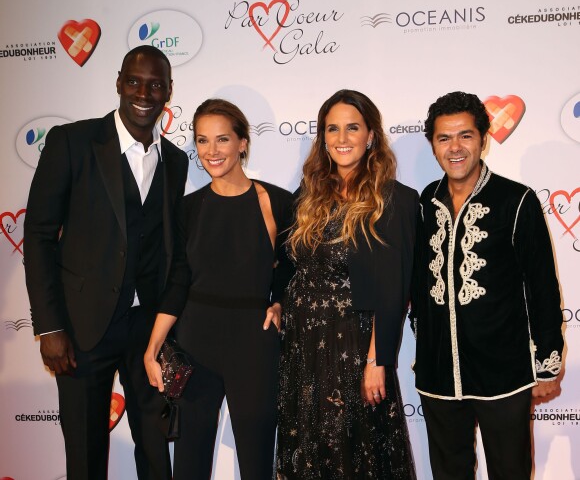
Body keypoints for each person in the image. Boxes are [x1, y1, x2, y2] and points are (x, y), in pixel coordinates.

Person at [23, 45, 189, 479]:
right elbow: (39, 235)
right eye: (134, 81)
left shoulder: (175, 161)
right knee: (85, 451)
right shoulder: (72, 142)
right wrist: (50, 326)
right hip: (80, 328)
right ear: (118, 82)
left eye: (156, 85)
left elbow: (168, 248)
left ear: (168, 91)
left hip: (146, 333)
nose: (143, 93)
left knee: (155, 448)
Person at [410, 91, 564, 480]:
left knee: (511, 472)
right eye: (444, 138)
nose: (455, 147)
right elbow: (418, 282)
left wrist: (547, 364)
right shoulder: (426, 202)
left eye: (465, 135)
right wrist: (424, 342)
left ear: (483, 139)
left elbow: (542, 286)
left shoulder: (517, 200)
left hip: (504, 374)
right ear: (432, 145)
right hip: (440, 375)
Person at [144, 98, 293, 480]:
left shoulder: (277, 201)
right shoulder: (189, 208)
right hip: (196, 340)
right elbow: (179, 280)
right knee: (190, 460)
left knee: (257, 458)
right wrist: (154, 346)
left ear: (243, 142)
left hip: (255, 341)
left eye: (222, 139)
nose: (212, 151)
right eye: (203, 140)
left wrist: (278, 302)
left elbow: (290, 271)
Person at [276, 89, 419, 479]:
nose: (342, 138)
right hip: (302, 347)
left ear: (370, 134)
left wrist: (378, 362)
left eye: (352, 127)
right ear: (322, 137)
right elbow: (290, 266)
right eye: (332, 129)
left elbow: (394, 290)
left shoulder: (394, 199)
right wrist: (276, 303)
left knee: (355, 453)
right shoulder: (307, 196)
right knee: (309, 447)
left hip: (354, 349)